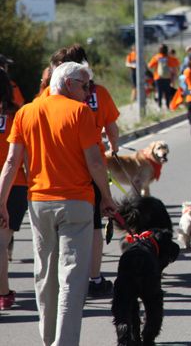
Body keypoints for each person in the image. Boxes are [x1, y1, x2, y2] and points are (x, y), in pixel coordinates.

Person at [0, 62, 116, 345]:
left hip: (39, 203)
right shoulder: (80, 113)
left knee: (45, 276)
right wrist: (107, 198)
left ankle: (48, 338)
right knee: (73, 278)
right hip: (76, 203)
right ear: (67, 84)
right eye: (84, 85)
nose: (88, 92)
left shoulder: (26, 111)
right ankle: (64, 343)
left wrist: (1, 202)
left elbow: (12, 162)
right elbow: (95, 162)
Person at [46, 44, 120, 297]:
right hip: (92, 163)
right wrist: (115, 149)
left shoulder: (49, 94)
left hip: (55, 165)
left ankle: (59, 279)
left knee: (57, 226)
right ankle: (94, 277)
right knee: (95, 225)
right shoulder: (98, 92)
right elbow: (112, 127)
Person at [0, 70, 24, 310]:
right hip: (15, 184)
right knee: (1, 242)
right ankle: (3, 294)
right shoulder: (17, 115)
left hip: (12, 183)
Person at [148, 44, 179, 110]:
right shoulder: (168, 58)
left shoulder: (156, 57)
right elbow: (176, 63)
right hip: (167, 77)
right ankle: (167, 106)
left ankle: (159, 106)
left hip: (158, 77)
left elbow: (150, 65)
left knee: (159, 92)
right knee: (167, 92)